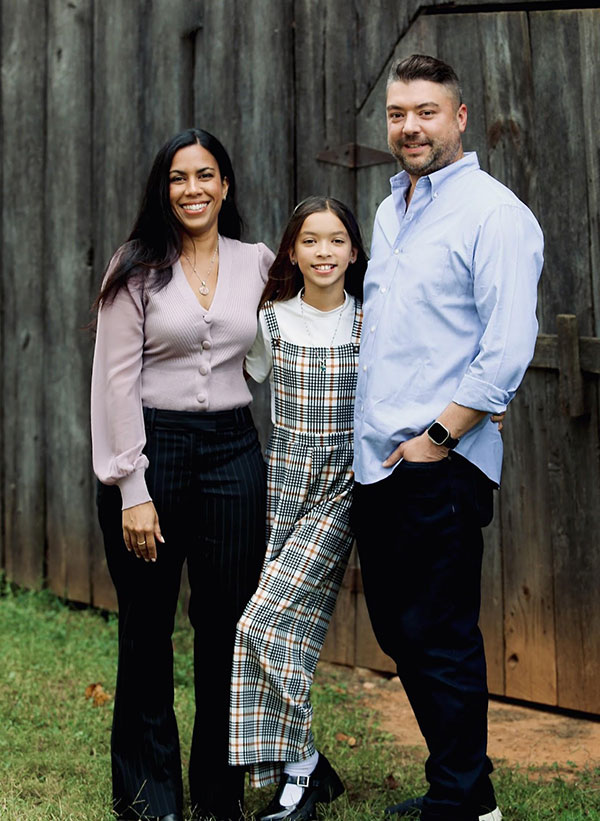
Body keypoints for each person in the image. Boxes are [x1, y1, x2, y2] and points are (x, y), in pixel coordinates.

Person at [351, 54, 544, 821]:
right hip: (379, 462)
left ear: (459, 117)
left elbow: (505, 347)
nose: (409, 127)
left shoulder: (494, 214)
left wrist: (440, 434)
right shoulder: (390, 208)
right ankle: (454, 783)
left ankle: (470, 801)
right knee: (403, 631)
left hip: (438, 461)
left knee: (441, 633)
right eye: (399, 113)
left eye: (426, 112)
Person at [91, 128, 273, 821]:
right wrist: (131, 486)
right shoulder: (136, 267)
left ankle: (219, 792)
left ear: (225, 185)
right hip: (152, 449)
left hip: (233, 450)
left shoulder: (258, 262)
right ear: (162, 190)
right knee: (146, 623)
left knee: (226, 624)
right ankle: (150, 795)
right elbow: (114, 381)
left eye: (205, 175)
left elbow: (319, 321)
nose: (192, 189)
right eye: (177, 177)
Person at [228, 197, 368, 821]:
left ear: (355, 252)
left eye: (336, 241)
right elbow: (230, 383)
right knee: (292, 633)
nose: (323, 252)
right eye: (310, 241)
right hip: (282, 486)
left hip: (343, 490)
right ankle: (305, 768)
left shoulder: (371, 321)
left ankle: (303, 772)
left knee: (262, 623)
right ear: (291, 251)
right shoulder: (271, 321)